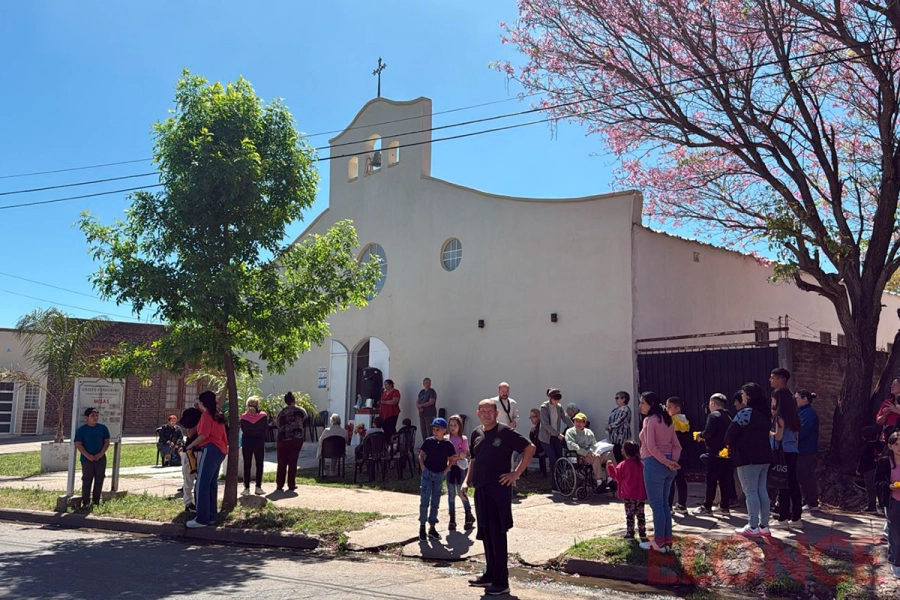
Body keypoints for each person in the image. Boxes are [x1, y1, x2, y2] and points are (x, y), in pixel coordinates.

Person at [463, 399, 535, 596]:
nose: (486, 414)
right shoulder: (476, 433)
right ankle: (490, 575)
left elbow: (529, 448)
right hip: (480, 489)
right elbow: (473, 460)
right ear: (478, 413)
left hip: (498, 490)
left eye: (490, 411)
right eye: (483, 411)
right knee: (485, 532)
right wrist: (466, 481)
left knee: (497, 533)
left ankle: (502, 582)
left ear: (496, 413)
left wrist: (516, 473)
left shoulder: (505, 432)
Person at [725, 382, 774, 538]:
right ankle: (764, 525)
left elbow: (730, 434)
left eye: (744, 394)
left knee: (750, 491)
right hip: (764, 456)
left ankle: (753, 526)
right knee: (761, 490)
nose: (743, 397)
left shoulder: (746, 413)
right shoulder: (765, 414)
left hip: (747, 457)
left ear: (749, 396)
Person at [637, 392, 681, 552]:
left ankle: (658, 543)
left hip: (654, 464)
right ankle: (666, 541)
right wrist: (672, 461)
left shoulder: (649, 420)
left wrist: (667, 462)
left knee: (657, 506)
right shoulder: (667, 419)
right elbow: (677, 446)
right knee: (664, 505)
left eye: (643, 403)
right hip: (668, 466)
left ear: (651, 404)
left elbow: (651, 447)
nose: (640, 406)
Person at [185, 391, 228, 528]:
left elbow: (203, 435)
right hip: (220, 450)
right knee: (211, 484)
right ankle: (211, 516)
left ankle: (201, 519)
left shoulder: (206, 415)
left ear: (202, 402)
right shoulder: (218, 414)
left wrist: (190, 445)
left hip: (210, 450)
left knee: (201, 484)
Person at [693, 393, 733, 516]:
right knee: (724, 480)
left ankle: (707, 506)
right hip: (726, 453)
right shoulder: (729, 416)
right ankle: (725, 506)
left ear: (713, 403)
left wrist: (701, 435)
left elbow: (709, 432)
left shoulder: (713, 416)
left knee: (711, 480)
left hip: (714, 453)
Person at [416, 417, 455, 540]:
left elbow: (452, 459)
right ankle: (422, 526)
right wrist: (423, 468)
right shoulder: (429, 441)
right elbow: (421, 456)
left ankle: (432, 527)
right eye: (433, 429)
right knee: (424, 500)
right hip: (427, 473)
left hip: (439, 475)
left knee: (435, 501)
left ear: (444, 430)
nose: (435, 432)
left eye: (438, 429)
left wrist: (445, 471)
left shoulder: (448, 444)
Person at [771, 387, 803, 529]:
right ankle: (796, 517)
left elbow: (778, 436)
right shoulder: (795, 416)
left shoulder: (780, 417)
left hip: (783, 453)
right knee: (793, 484)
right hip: (793, 452)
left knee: (782, 485)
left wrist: (770, 433)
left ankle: (783, 518)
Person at [606, 440, 647, 540]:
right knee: (641, 515)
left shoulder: (623, 465)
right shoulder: (642, 465)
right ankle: (642, 533)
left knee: (630, 515)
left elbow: (616, 476)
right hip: (640, 494)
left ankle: (630, 533)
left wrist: (610, 467)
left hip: (628, 494)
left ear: (624, 452)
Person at [565, 412, 614, 492]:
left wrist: (591, 451)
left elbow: (594, 444)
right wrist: (586, 453)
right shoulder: (570, 432)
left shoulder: (589, 432)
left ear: (584, 423)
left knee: (608, 454)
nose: (578, 423)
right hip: (579, 456)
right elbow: (571, 445)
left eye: (581, 421)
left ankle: (610, 479)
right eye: (576, 421)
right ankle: (599, 483)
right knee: (596, 457)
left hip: (591, 454)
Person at [875, 430, 900, 579]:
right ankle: (896, 562)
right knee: (895, 533)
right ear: (890, 446)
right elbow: (878, 482)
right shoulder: (884, 462)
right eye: (896, 444)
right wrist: (889, 486)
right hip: (893, 502)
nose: (899, 448)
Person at [74, 407, 111, 508]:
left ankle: (96, 501)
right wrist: (88, 455)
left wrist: (100, 454)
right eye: (92, 416)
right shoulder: (82, 430)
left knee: (99, 479)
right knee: (87, 479)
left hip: (100, 458)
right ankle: (85, 501)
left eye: (97, 416)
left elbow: (106, 442)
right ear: (86, 417)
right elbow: (78, 444)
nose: (95, 418)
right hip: (87, 459)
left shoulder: (102, 428)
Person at [539, 388, 573, 492]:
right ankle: (554, 486)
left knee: (560, 458)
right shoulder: (544, 407)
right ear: (550, 398)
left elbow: (566, 418)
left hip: (556, 437)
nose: (556, 402)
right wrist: (557, 434)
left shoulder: (559, 407)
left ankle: (562, 482)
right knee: (553, 460)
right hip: (546, 438)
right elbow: (545, 425)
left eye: (558, 400)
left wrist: (574, 429)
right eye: (555, 399)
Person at [446, 414, 476, 531]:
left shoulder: (463, 439)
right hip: (449, 468)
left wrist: (456, 456)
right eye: (451, 425)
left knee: (461, 491)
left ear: (460, 426)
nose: (453, 427)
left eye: (455, 425)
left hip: (459, 468)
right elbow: (447, 455)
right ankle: (452, 518)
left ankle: (468, 514)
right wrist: (456, 456)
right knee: (451, 493)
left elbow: (464, 454)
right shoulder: (446, 438)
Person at [275, 391, 307, 492]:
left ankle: (280, 484)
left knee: (282, 461)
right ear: (294, 400)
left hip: (283, 439)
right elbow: (305, 420)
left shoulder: (281, 413)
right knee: (293, 461)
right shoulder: (301, 411)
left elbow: (277, 424)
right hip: (296, 439)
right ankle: (291, 484)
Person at [795, 389, 820, 510]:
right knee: (802, 477)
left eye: (797, 398)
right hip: (801, 450)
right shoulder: (801, 412)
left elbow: (801, 431)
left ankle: (812, 502)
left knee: (807, 477)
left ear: (805, 399)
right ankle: (807, 500)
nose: (795, 401)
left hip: (806, 451)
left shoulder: (808, 414)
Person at [666, 397, 691, 513]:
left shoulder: (671, 421)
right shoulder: (685, 420)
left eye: (669, 407)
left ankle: (668, 506)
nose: (667, 409)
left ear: (677, 408)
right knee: (681, 479)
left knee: (670, 480)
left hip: (672, 454)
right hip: (683, 453)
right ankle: (682, 504)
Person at [240, 396, 267, 496]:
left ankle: (246, 488)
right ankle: (258, 487)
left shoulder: (243, 417)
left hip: (247, 442)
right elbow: (266, 428)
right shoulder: (263, 416)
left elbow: (243, 429)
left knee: (247, 465)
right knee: (259, 464)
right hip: (259, 442)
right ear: (257, 405)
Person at [178, 403, 202, 513]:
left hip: (200, 451)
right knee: (189, 479)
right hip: (190, 452)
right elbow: (190, 433)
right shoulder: (193, 413)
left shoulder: (205, 415)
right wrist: (200, 423)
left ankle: (198, 502)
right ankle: (188, 503)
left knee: (200, 479)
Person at [858, 425, 884, 514]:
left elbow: (862, 460)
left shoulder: (865, 448)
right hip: (881, 469)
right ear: (877, 435)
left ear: (864, 437)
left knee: (871, 488)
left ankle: (872, 506)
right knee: (880, 487)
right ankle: (882, 505)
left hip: (869, 470)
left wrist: (859, 469)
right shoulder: (881, 445)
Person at [606, 391, 632, 464]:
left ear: (623, 399)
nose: (616, 400)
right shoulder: (615, 410)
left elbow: (620, 420)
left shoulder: (625, 409)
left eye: (617, 398)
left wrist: (610, 426)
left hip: (622, 438)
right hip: (615, 438)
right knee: (616, 455)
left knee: (621, 456)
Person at [416, 378, 438, 442]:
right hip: (422, 413)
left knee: (429, 429)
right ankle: (425, 443)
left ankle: (431, 443)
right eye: (426, 383)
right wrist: (418, 407)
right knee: (423, 429)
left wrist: (422, 405)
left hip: (429, 414)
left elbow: (431, 402)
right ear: (423, 384)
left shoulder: (432, 392)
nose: (428, 384)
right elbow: (417, 401)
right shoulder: (421, 392)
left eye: (429, 382)